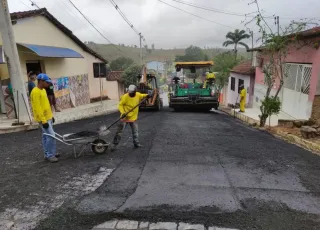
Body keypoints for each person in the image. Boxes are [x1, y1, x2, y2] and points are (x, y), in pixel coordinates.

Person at [111, 85, 151, 151]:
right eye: (130, 93)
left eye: (132, 93)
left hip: (133, 118)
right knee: (119, 132)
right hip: (125, 117)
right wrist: (123, 112)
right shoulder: (125, 97)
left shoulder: (138, 95)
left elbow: (143, 95)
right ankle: (114, 145)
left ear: (135, 92)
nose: (130, 94)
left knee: (135, 132)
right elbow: (120, 105)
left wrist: (148, 95)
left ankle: (136, 143)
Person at [30, 73, 59, 163]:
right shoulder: (35, 92)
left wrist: (51, 116)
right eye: (47, 82)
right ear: (41, 81)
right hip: (43, 119)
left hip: (48, 117)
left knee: (46, 136)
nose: (49, 84)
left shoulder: (43, 90)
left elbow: (45, 105)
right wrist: (43, 121)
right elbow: (37, 108)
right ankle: (50, 155)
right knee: (51, 136)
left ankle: (49, 153)